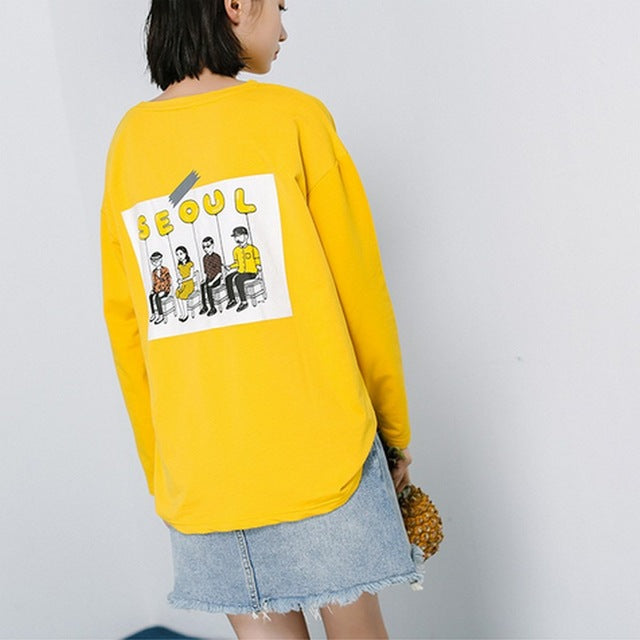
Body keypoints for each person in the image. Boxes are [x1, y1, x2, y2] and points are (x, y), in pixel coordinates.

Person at [100, 1, 424, 638]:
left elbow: (128, 328)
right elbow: (361, 293)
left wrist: (163, 470)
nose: (284, 27)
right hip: (320, 456)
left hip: (202, 474)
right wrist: (393, 432)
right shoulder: (294, 118)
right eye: (279, 7)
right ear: (235, 5)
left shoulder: (130, 142)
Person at [225, 225, 261, 312]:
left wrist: (258, 266)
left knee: (238, 279)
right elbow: (237, 263)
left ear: (246, 236)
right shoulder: (236, 250)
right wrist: (230, 267)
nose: (237, 239)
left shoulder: (252, 249)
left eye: (239, 236)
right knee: (228, 278)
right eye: (235, 237)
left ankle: (244, 302)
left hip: (251, 272)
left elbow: (257, 260)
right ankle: (232, 299)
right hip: (241, 271)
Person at [199, 236, 223, 316]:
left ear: (212, 245)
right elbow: (206, 272)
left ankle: (213, 308)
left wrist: (212, 282)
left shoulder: (216, 257)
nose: (205, 249)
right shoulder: (205, 258)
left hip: (216, 279)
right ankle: (204, 306)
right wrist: (204, 280)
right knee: (202, 285)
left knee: (208, 287)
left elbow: (219, 273)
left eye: (208, 246)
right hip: (209, 277)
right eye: (204, 247)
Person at [148, 251, 171, 324]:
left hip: (165, 289)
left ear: (160, 260)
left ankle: (161, 315)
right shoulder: (154, 272)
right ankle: (153, 313)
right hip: (157, 289)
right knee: (151, 296)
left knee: (157, 297)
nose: (155, 263)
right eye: (153, 262)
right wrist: (154, 290)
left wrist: (164, 290)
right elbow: (155, 282)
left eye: (156, 261)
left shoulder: (165, 270)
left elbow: (168, 281)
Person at [174, 245, 195, 322]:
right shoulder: (179, 266)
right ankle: (182, 312)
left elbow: (191, 276)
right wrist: (179, 282)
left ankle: (186, 314)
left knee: (183, 295)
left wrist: (183, 280)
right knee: (177, 293)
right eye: (177, 254)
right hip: (183, 284)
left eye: (181, 254)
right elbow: (180, 276)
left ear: (185, 253)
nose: (179, 256)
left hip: (189, 284)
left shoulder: (190, 264)